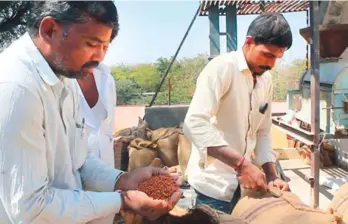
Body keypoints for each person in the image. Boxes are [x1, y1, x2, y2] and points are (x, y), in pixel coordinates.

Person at [0, 2, 181, 223]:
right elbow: (31, 207)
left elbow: (78, 159)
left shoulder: (65, 74)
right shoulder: (16, 87)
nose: (100, 57)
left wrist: (123, 180)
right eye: (92, 44)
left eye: (106, 47)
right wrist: (123, 200)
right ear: (50, 30)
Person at [183, 12, 292, 214]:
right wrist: (242, 165)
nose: (271, 64)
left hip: (246, 187)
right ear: (249, 42)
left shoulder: (265, 80)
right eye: (268, 55)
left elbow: (263, 131)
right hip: (213, 187)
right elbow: (194, 123)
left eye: (277, 57)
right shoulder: (222, 68)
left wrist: (271, 174)